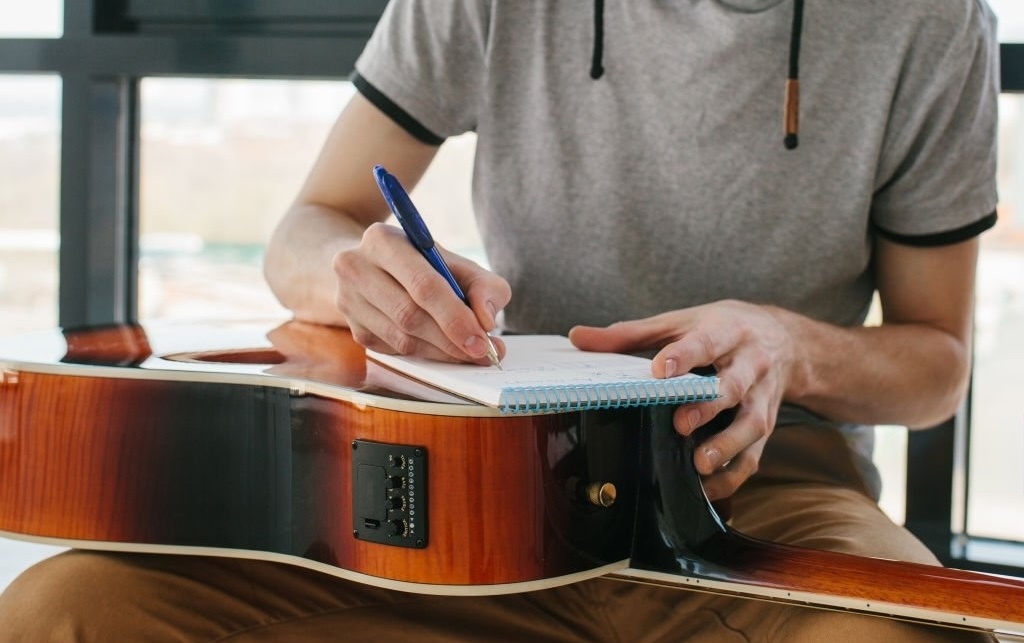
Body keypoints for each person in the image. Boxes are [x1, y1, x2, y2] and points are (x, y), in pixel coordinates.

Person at [0, 0, 1003, 641]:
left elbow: (935, 362)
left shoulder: (927, 23)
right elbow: (306, 228)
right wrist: (354, 276)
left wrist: (792, 346)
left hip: (755, 503)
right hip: (484, 497)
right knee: (66, 607)